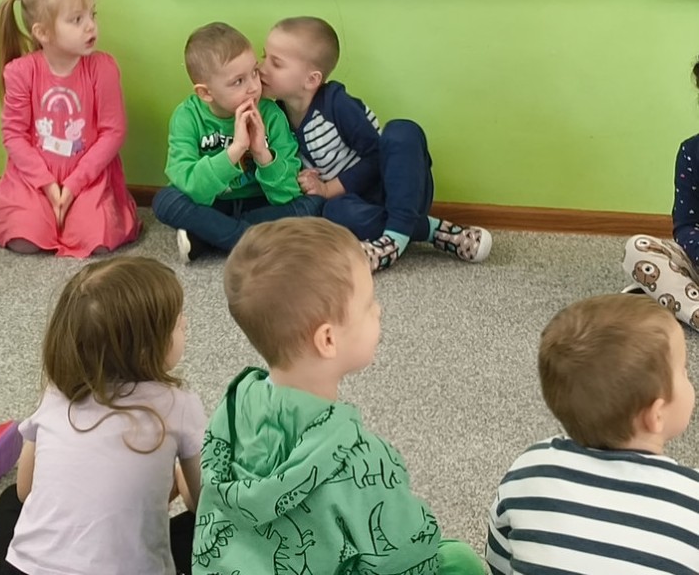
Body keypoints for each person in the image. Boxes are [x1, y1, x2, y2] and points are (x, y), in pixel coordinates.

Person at [194, 218, 484, 575]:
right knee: (461, 561)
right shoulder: (361, 458)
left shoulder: (231, 408)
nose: (378, 310)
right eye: (369, 304)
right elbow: (406, 556)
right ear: (328, 340)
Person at [0, 256, 204, 575]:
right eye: (175, 322)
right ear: (144, 350)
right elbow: (204, 502)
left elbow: (25, 490)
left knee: (9, 504)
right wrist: (173, 481)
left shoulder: (57, 392)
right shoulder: (179, 404)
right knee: (198, 530)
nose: (185, 322)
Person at [259, 16, 491, 270]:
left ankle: (391, 243)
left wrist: (327, 188)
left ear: (311, 80)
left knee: (401, 131)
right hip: (358, 207)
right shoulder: (276, 116)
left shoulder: (336, 104)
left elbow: (375, 158)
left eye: (276, 63)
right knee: (332, 214)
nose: (261, 68)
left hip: (398, 189)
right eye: (263, 56)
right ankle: (428, 230)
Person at [487, 295, 699, 573]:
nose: (689, 376)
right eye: (683, 370)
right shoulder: (691, 500)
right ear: (656, 415)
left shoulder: (530, 470)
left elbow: (499, 558)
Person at [0, 0, 140, 258]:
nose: (90, 25)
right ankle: (44, 214)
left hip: (89, 178)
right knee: (24, 238)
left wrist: (73, 184)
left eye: (92, 15)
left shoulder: (103, 68)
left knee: (96, 241)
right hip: (33, 179)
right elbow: (14, 135)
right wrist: (47, 184)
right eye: (77, 20)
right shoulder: (21, 72)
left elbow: (113, 132)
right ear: (43, 33)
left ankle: (79, 214)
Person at [151, 22, 321, 261]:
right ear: (206, 93)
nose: (253, 87)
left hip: (259, 201)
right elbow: (190, 187)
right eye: (238, 81)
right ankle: (249, 239)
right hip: (212, 203)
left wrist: (262, 154)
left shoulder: (271, 114)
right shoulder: (187, 116)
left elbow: (287, 194)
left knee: (313, 204)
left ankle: (209, 236)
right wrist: (236, 150)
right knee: (165, 201)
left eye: (254, 72)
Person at [622, 55, 699, 327]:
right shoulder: (691, 151)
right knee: (638, 249)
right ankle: (688, 305)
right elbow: (685, 225)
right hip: (696, 259)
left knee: (646, 287)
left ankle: (665, 299)